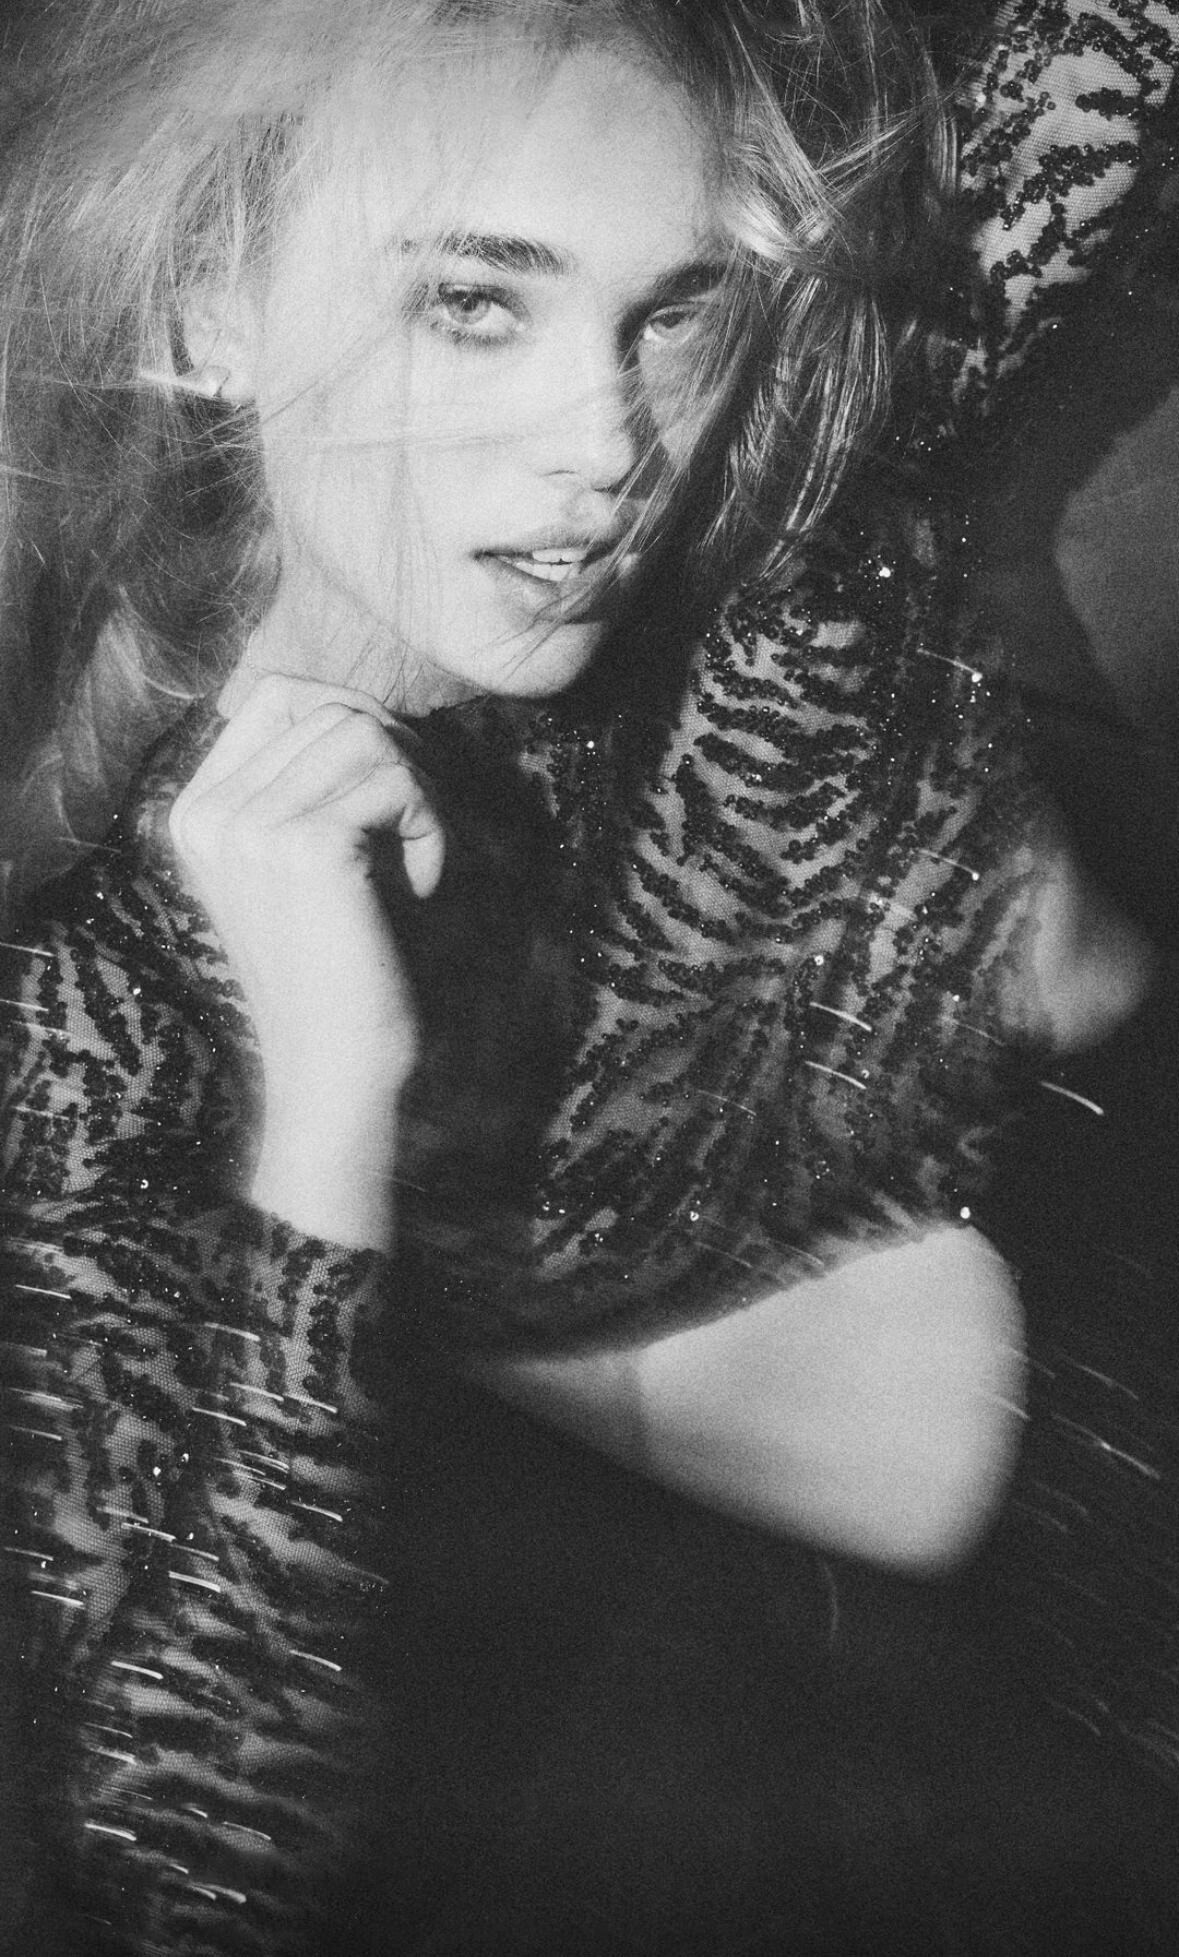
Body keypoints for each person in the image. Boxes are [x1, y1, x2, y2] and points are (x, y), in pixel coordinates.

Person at [0, 0, 1170, 1951]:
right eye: (475, 304)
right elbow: (187, 1864)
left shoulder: (777, 490)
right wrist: (324, 1109)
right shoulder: (94, 996)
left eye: (671, 307)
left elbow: (1099, 61)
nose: (610, 446)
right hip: (1073, 1546)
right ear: (205, 302)